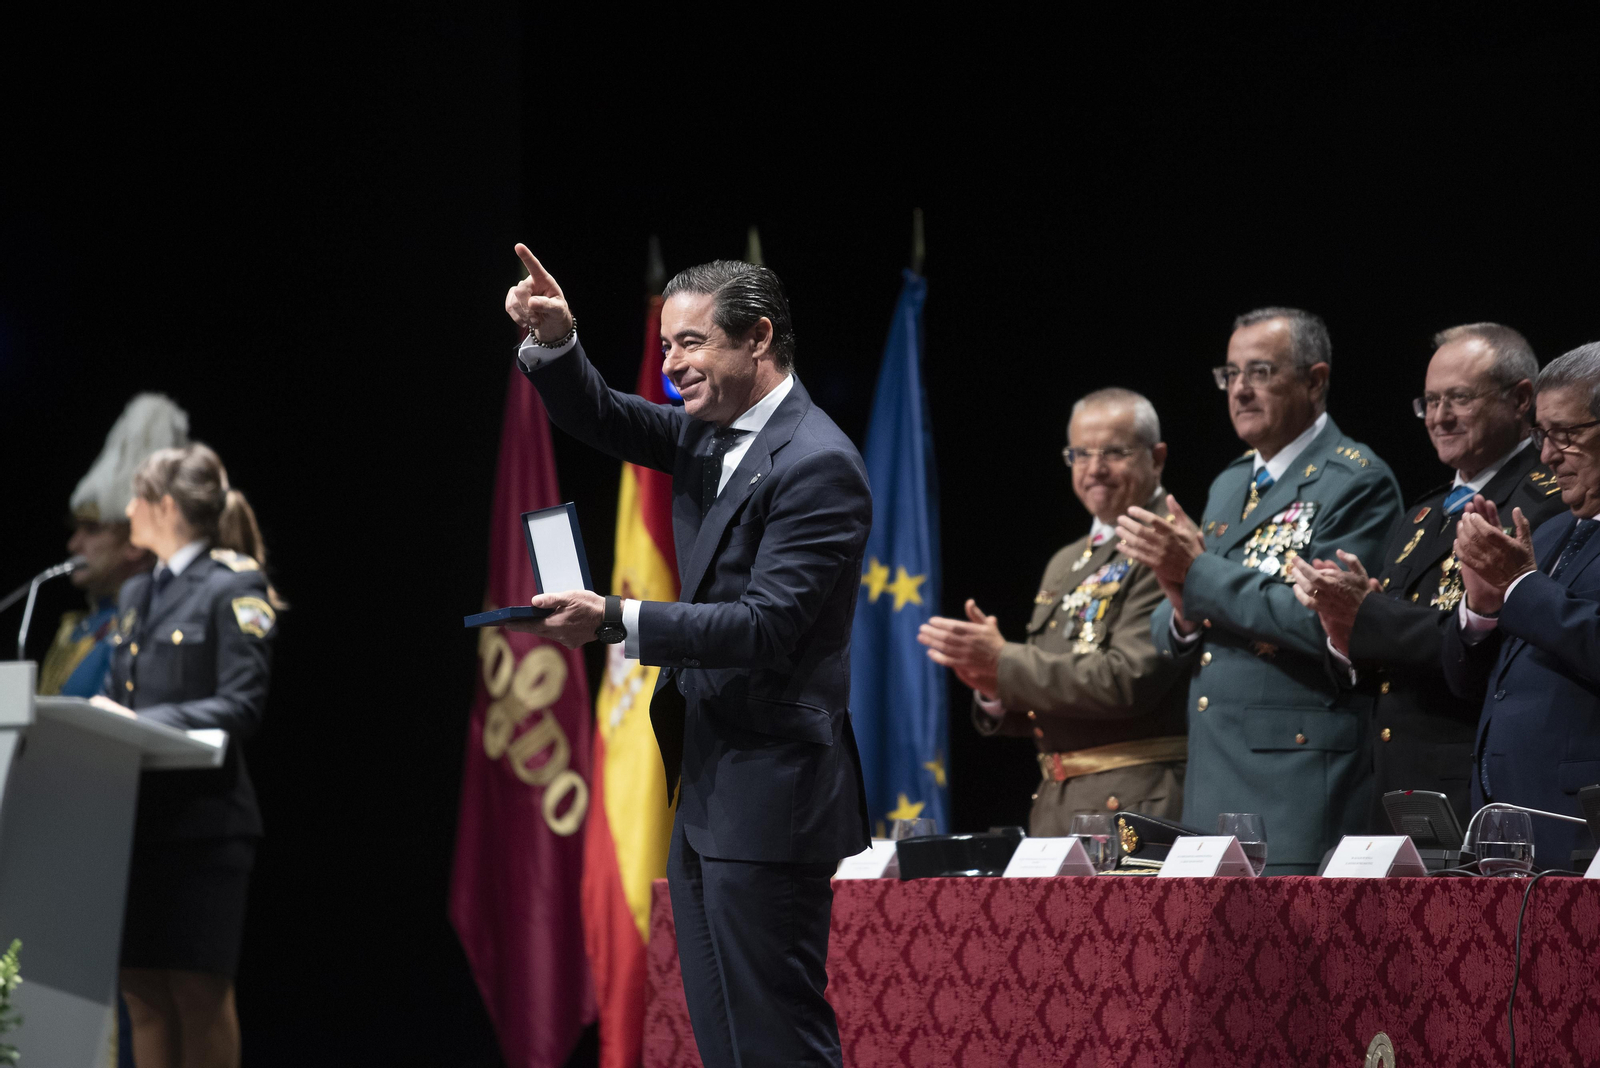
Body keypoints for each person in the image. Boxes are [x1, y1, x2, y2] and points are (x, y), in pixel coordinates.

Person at [503, 245, 870, 1068]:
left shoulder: (818, 464)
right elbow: (604, 416)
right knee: (724, 1044)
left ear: (758, 338)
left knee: (777, 1043)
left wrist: (615, 619)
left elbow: (766, 626)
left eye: (691, 343)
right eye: (666, 345)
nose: (671, 364)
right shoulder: (710, 435)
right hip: (708, 780)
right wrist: (556, 341)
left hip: (772, 797)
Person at [1118, 307, 1402, 873]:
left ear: (1315, 381)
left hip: (1296, 779)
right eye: (1230, 374)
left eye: (1261, 372)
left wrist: (1196, 575)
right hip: (1214, 773)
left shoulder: (1358, 481)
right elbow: (1189, 615)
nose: (1240, 390)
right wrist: (1181, 611)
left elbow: (1326, 620)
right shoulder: (1230, 482)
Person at [1289, 324, 1564, 831]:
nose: (1440, 417)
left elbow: (1503, 645)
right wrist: (1342, 633)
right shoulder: (1422, 514)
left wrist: (1369, 616)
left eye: (1459, 398)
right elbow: (1384, 663)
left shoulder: (1547, 503)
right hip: (1395, 791)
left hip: (1477, 789)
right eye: (1431, 401)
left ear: (1521, 399)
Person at [918, 389, 1187, 831]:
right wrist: (994, 687)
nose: (1094, 468)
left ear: (1156, 458)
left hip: (1136, 805)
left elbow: (1128, 680)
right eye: (1080, 454)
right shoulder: (1067, 561)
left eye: (1113, 452)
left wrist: (1006, 662)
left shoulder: (1170, 546)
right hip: (1058, 803)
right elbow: (1054, 693)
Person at [92, 443, 281, 1068]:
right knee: (142, 993)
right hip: (135, 820)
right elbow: (118, 695)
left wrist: (138, 723)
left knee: (198, 994)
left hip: (204, 825)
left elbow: (241, 704)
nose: (128, 511)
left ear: (167, 506)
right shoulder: (135, 593)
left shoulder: (233, 585)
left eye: (137, 498)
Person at [1444, 343, 1600, 868]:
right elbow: (1476, 687)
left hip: (1580, 828)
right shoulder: (1549, 532)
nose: (1548, 455)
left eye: (1566, 434)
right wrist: (1484, 610)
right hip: (1502, 826)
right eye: (1541, 435)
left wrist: (1522, 585)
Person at [38, 393, 189, 696]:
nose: (73, 544)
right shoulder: (77, 629)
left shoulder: (159, 628)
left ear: (135, 544)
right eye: (76, 529)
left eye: (92, 530)